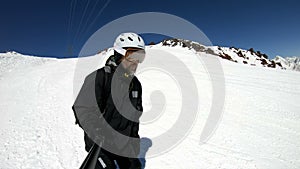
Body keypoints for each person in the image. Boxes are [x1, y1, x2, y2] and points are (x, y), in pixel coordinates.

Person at [72, 32, 146, 169]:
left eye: (140, 56)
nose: (136, 62)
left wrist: (134, 146)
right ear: (119, 54)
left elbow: (135, 118)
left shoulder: (135, 84)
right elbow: (83, 108)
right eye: (132, 55)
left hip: (123, 143)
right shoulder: (100, 77)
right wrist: (96, 131)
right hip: (100, 142)